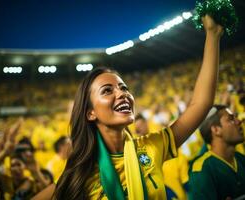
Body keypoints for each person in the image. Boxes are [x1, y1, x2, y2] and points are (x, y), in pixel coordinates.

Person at [53, 15, 223, 200]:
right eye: (107, 90)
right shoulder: (78, 175)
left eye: (124, 87)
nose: (122, 93)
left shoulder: (151, 147)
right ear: (90, 113)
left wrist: (212, 35)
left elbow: (201, 104)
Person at [188, 105, 245, 200]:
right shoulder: (201, 170)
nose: (239, 121)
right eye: (231, 119)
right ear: (216, 130)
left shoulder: (241, 159)